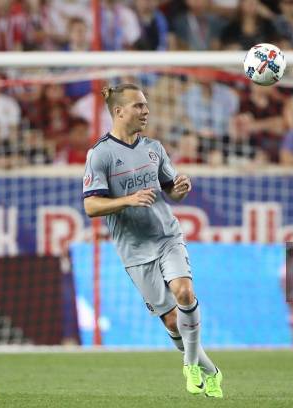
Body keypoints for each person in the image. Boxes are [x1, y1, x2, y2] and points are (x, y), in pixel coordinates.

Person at [82, 83, 223, 398]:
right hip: (134, 250)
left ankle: (189, 366)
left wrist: (179, 189)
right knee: (172, 322)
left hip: (166, 236)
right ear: (119, 112)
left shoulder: (154, 148)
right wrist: (128, 200)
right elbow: (91, 206)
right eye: (138, 106)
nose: (145, 111)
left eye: (145, 106)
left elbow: (170, 189)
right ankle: (210, 370)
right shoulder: (100, 154)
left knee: (184, 292)